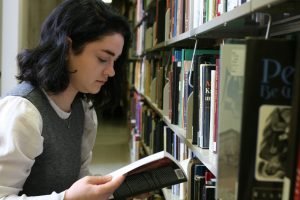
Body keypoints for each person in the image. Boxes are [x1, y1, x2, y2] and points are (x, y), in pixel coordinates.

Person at [0, 0, 131, 199]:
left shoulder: (84, 109)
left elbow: (79, 181)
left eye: (115, 61)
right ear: (68, 47)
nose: (111, 71)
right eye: (103, 58)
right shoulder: (23, 112)